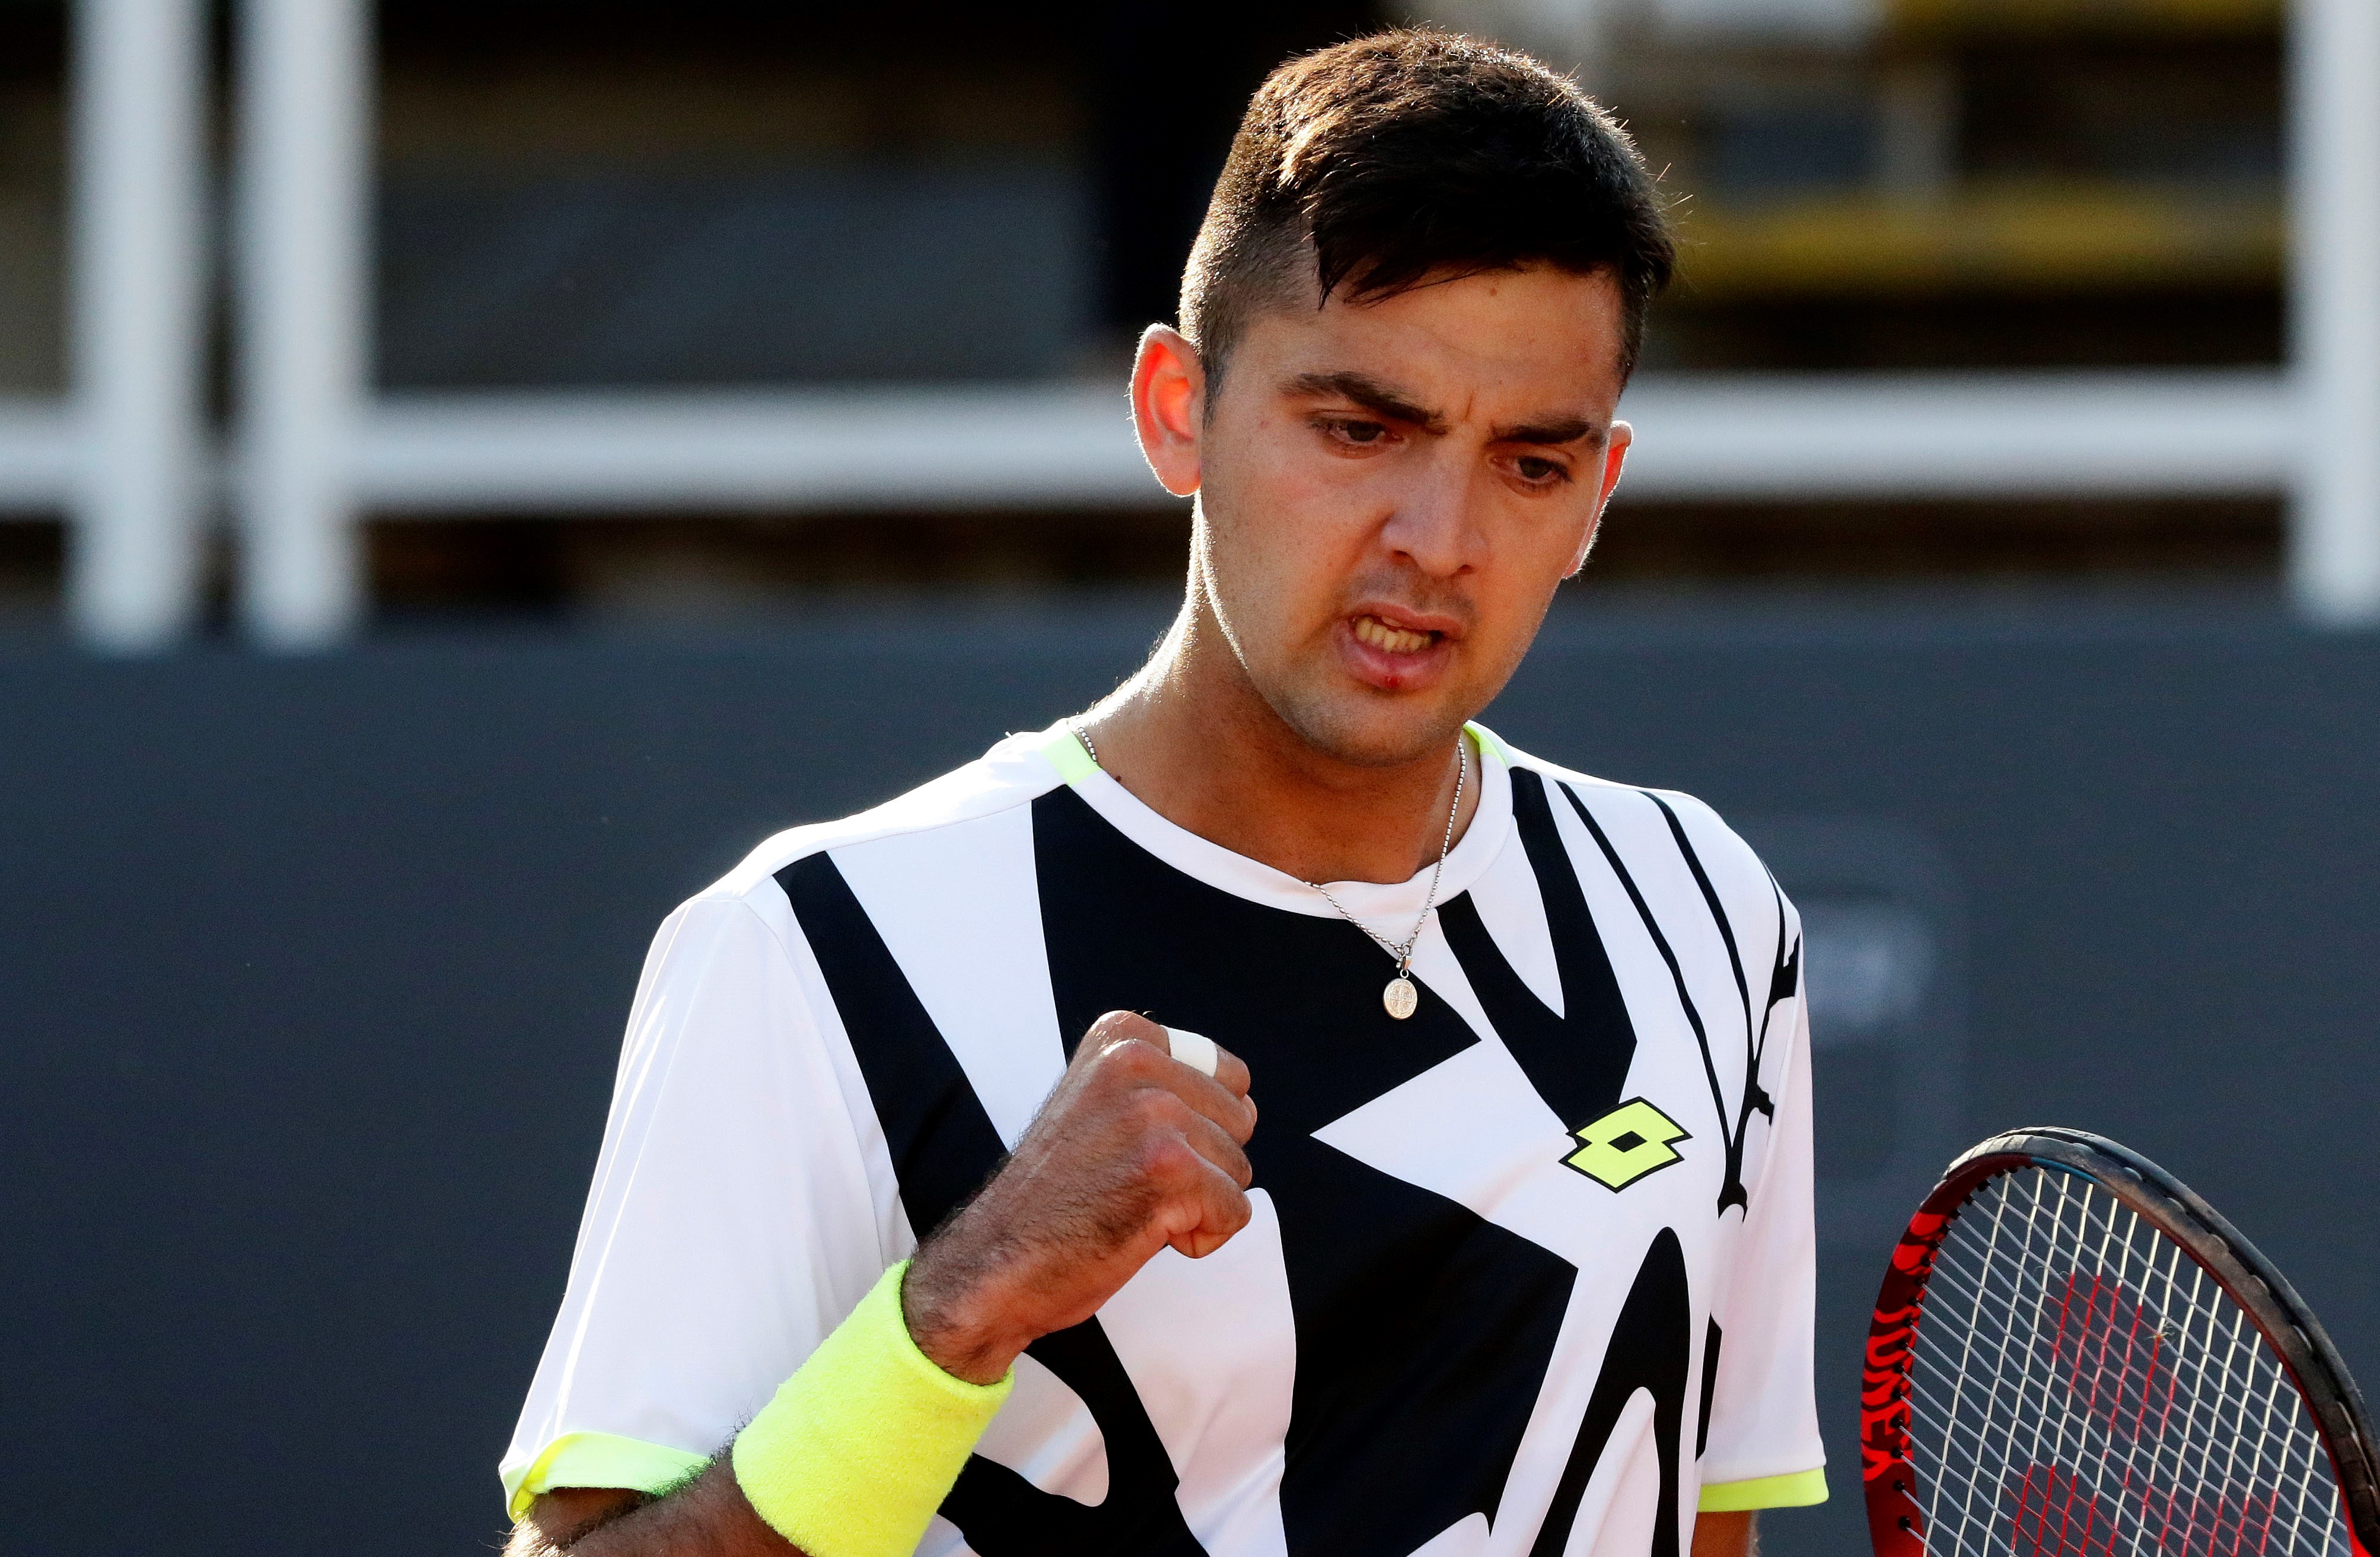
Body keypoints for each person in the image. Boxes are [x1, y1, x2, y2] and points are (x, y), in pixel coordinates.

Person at [499, 29, 1824, 1557]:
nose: (1438, 537)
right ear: (1175, 409)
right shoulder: (812, 951)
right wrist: (957, 1310)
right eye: (1360, 430)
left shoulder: (1704, 911)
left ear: (1601, 494)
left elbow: (1702, 1524)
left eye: (1531, 463)